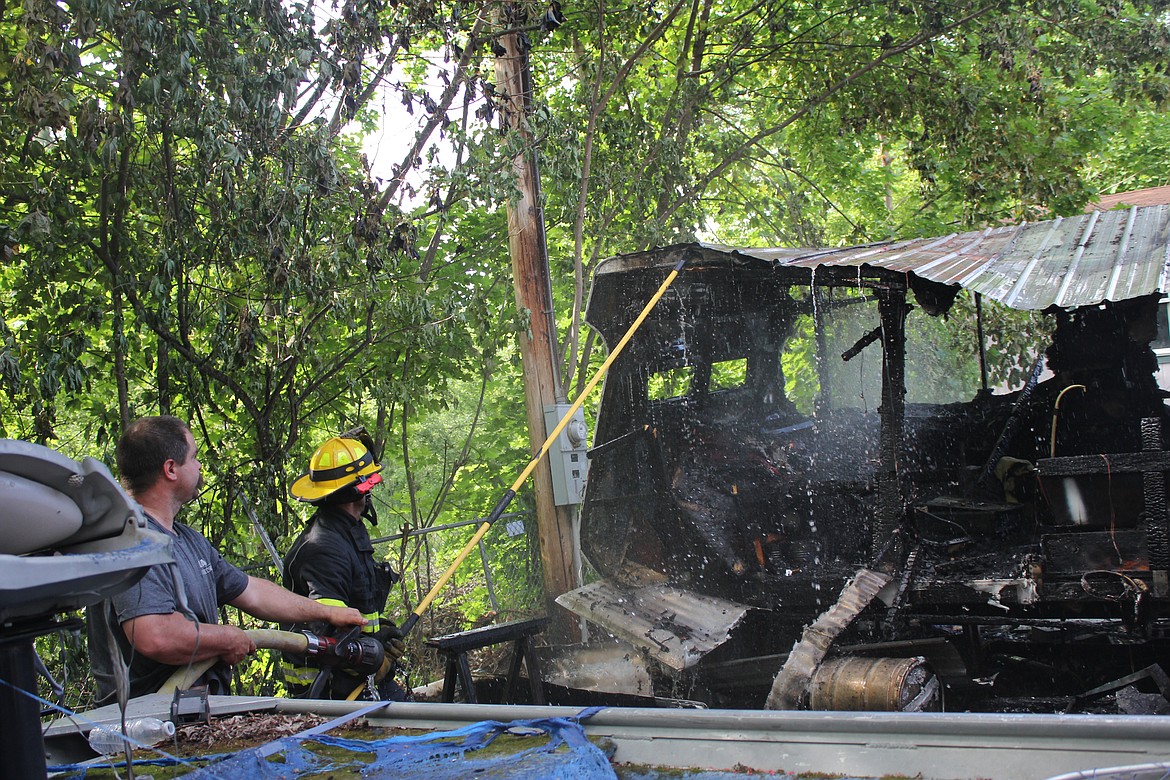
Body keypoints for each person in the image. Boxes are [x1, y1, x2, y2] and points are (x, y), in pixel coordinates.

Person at [86, 416, 367, 706]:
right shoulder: (131, 541)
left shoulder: (188, 540)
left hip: (193, 716)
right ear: (170, 469)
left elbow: (253, 592)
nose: (199, 466)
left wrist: (324, 612)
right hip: (144, 729)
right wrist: (226, 638)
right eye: (193, 458)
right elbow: (156, 636)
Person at [280, 432, 407, 700]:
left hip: (356, 680)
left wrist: (379, 635)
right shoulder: (323, 549)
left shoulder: (346, 533)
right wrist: (373, 661)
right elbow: (329, 633)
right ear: (359, 490)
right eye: (370, 483)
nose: (372, 491)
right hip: (330, 693)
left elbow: (352, 607)